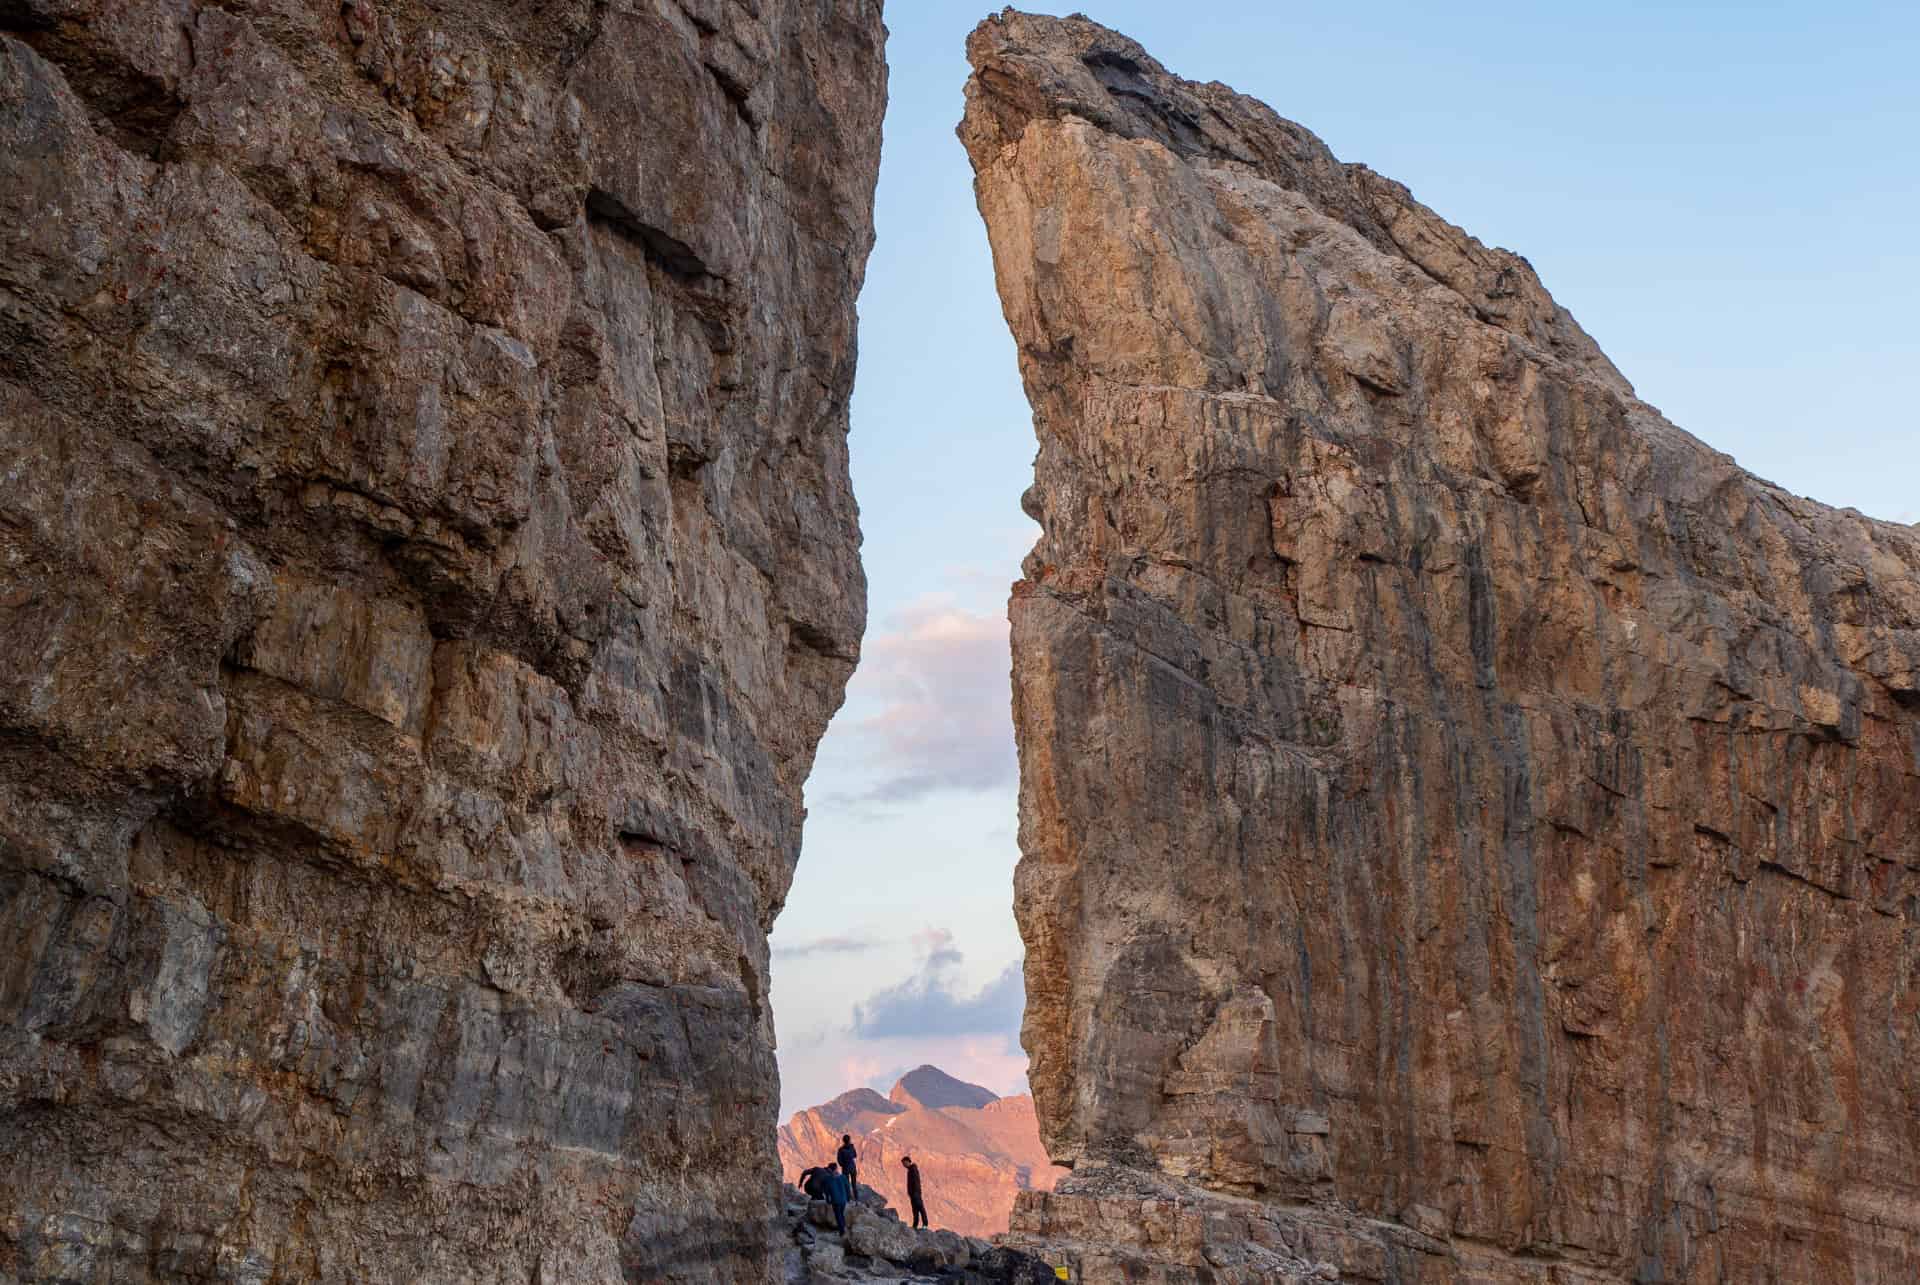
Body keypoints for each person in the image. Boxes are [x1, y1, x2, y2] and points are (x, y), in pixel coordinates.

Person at [901, 1154, 929, 1229]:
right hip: (913, 1193)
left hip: (915, 1193)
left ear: (907, 1162)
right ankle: (915, 1225)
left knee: (920, 1207)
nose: (903, 1165)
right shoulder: (910, 1170)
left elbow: (916, 1182)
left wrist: (915, 1192)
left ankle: (925, 1224)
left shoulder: (913, 1169)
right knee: (915, 1209)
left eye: (904, 1163)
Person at [823, 1162, 851, 1236]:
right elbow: (848, 1188)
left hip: (835, 1201)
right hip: (843, 1200)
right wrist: (848, 1198)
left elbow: (827, 1191)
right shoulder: (843, 1177)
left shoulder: (828, 1179)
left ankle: (842, 1232)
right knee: (841, 1214)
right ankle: (844, 1228)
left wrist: (828, 1200)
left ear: (830, 1170)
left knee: (838, 1216)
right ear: (836, 1168)